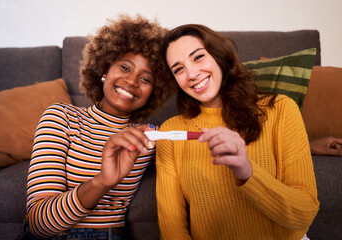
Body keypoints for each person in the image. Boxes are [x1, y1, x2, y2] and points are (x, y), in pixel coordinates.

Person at [155, 24, 320, 240]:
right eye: (179, 69)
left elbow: (304, 215)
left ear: (219, 55)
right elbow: (172, 228)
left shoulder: (281, 109)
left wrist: (247, 172)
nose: (192, 74)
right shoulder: (170, 131)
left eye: (198, 57)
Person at [18, 15, 173, 240]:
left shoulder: (149, 137)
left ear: (153, 93)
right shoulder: (61, 117)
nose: (132, 81)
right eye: (124, 67)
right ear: (104, 70)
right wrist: (102, 182)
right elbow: (39, 225)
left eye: (146, 79)